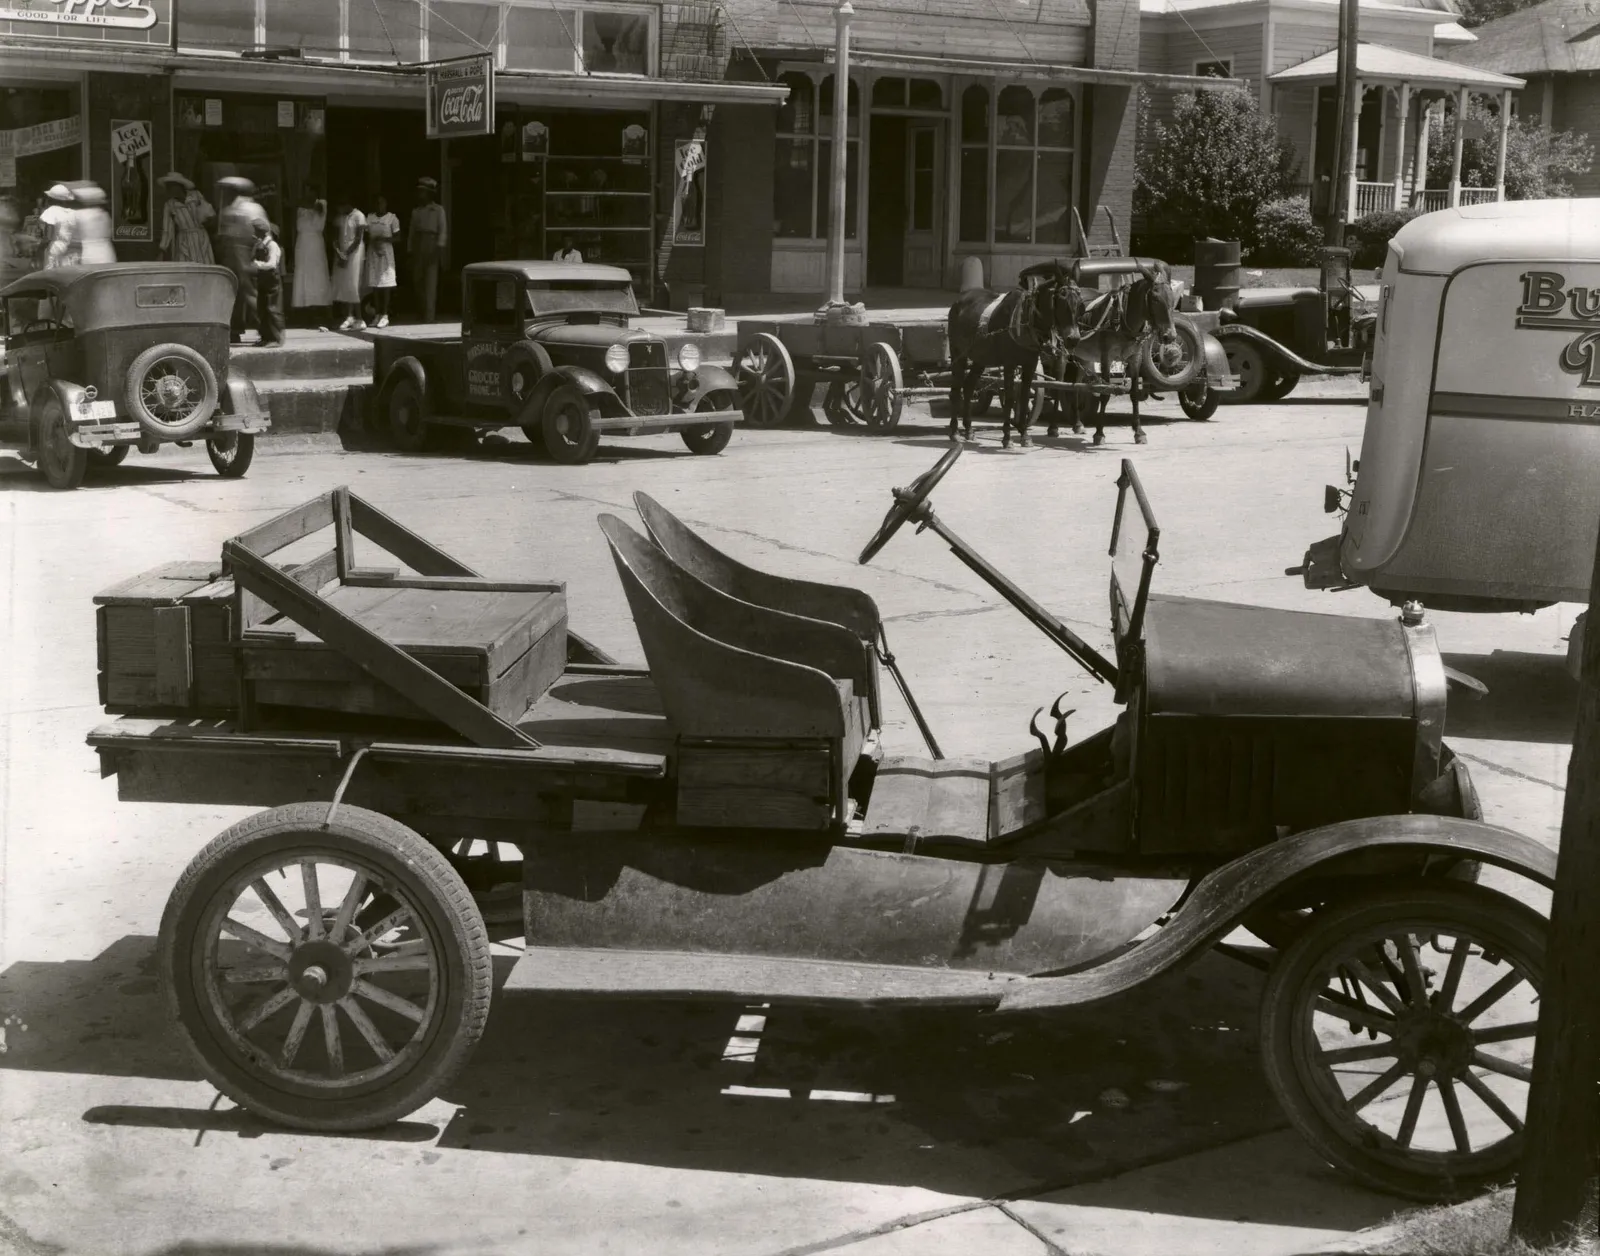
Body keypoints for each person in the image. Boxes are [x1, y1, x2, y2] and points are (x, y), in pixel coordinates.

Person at [218, 176, 268, 342]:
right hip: (233, 252)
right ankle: (235, 330)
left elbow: (262, 231)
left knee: (250, 292)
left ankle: (265, 330)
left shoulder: (249, 208)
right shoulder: (234, 208)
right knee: (235, 293)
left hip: (246, 252)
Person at [408, 176, 447, 322]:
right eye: (419, 192)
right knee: (417, 280)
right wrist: (410, 250)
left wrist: (438, 249)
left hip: (432, 245)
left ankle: (429, 316)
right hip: (419, 245)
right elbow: (412, 232)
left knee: (430, 283)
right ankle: (421, 310)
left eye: (423, 192)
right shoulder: (416, 211)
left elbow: (442, 231)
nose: (420, 195)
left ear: (430, 194)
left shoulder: (438, 210)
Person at [157, 172, 215, 264]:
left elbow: (209, 214)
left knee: (204, 268)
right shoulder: (169, 205)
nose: (168, 190)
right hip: (184, 241)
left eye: (170, 186)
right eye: (167, 187)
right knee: (185, 270)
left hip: (201, 238)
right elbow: (167, 229)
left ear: (179, 186)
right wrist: (163, 249)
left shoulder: (196, 196)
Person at [291, 187, 331, 319]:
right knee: (303, 273)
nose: (308, 193)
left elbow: (316, 208)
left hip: (315, 242)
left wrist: (303, 201)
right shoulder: (300, 208)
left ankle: (319, 307)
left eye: (311, 190)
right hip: (302, 243)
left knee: (317, 274)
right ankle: (304, 308)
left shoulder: (321, 203)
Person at [330, 194, 366, 330]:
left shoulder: (359, 216)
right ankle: (349, 316)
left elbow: (358, 239)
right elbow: (334, 237)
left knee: (354, 284)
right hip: (341, 252)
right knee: (344, 284)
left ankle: (360, 318)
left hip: (355, 253)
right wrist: (339, 252)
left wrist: (346, 254)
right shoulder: (340, 217)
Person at [363, 193, 399, 329]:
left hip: (386, 255)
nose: (379, 205)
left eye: (382, 203)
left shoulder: (392, 218)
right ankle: (377, 314)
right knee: (375, 285)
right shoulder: (370, 218)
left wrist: (383, 239)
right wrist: (372, 240)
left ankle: (385, 315)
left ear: (386, 204)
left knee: (386, 285)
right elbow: (365, 235)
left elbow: (398, 237)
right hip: (373, 254)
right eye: (377, 203)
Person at [251, 218, 285, 347]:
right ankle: (265, 337)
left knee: (272, 309)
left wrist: (257, 264)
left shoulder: (272, 245)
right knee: (262, 308)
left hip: (272, 281)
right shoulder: (259, 244)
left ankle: (275, 339)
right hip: (262, 280)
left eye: (255, 230)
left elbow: (272, 264)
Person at [70, 183, 116, 264]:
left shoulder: (79, 214)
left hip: (88, 252)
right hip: (106, 251)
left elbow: (74, 236)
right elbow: (110, 233)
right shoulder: (104, 214)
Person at [40, 184, 74, 269]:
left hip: (55, 248)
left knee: (51, 274)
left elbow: (48, 236)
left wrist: (40, 249)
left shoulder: (51, 211)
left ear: (51, 199)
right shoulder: (73, 213)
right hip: (70, 248)